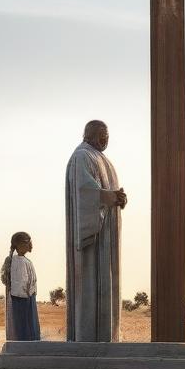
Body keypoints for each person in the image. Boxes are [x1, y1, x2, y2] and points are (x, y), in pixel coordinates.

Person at [65, 120, 127, 342]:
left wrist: (120, 199)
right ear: (88, 134)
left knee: (108, 283)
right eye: (102, 134)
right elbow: (85, 192)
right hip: (93, 240)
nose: (105, 139)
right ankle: (87, 338)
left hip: (107, 237)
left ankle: (106, 337)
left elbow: (110, 193)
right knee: (90, 284)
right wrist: (111, 198)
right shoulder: (82, 156)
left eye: (107, 135)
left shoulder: (103, 160)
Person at [0, 231, 41, 341]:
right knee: (24, 326)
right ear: (20, 244)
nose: (30, 245)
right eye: (27, 242)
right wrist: (26, 295)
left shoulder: (23, 260)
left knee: (28, 326)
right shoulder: (18, 261)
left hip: (27, 297)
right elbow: (20, 282)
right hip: (22, 299)